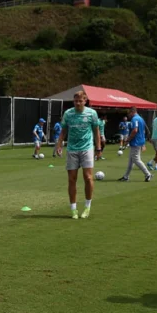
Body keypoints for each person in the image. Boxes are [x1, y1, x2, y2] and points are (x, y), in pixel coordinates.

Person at [55, 90, 101, 219]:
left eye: (80, 101)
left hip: (87, 148)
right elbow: (63, 131)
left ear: (85, 101)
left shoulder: (92, 113)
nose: (78, 103)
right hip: (72, 149)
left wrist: (98, 148)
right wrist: (59, 145)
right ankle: (73, 209)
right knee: (72, 179)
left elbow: (96, 131)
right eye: (76, 101)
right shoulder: (68, 114)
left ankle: (87, 206)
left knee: (88, 177)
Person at [118, 106, 152, 182]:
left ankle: (148, 174)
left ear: (132, 112)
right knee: (131, 160)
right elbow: (143, 130)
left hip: (136, 142)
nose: (128, 115)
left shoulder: (135, 119)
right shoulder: (141, 118)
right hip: (139, 141)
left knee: (136, 159)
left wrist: (128, 139)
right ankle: (126, 176)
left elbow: (135, 130)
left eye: (129, 113)